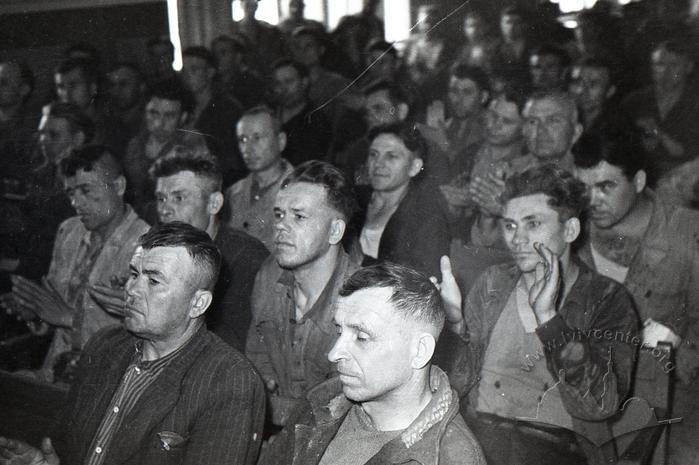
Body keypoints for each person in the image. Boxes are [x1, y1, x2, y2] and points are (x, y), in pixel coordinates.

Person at [0, 222, 266, 465]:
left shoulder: (230, 380)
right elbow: (66, 449)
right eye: (133, 274)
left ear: (198, 303)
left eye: (153, 280)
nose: (132, 289)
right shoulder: (105, 346)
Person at [439, 164, 639, 465]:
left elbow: (600, 404)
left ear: (570, 229)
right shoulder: (494, 284)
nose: (517, 239)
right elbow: (455, 386)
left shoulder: (606, 299)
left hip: (558, 449)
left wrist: (548, 319)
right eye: (510, 225)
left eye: (532, 224)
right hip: (478, 441)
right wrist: (454, 327)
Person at [259, 263, 486, 465]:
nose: (335, 353)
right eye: (339, 331)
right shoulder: (322, 399)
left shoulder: (452, 457)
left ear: (420, 351)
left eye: (361, 337)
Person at [573, 133, 699, 465]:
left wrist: (679, 349)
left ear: (640, 181)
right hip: (587, 391)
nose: (592, 200)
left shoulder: (687, 234)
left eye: (605, 187)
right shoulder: (571, 230)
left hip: (676, 395)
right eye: (583, 188)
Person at [1, 145, 150, 383]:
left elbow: (140, 339)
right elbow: (52, 312)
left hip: (106, 381)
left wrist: (70, 318)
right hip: (54, 373)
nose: (76, 203)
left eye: (85, 190)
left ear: (119, 187)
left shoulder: (146, 245)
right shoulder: (69, 231)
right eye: (70, 193)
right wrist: (34, 312)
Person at [245, 160, 358, 426]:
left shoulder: (359, 301)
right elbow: (257, 357)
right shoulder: (269, 275)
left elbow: (338, 416)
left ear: (335, 231)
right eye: (279, 214)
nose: (281, 227)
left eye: (299, 216)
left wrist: (268, 407)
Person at [468, 90, 583, 247]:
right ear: (524, 130)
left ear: (576, 132)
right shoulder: (511, 172)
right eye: (533, 122)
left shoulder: (588, 178)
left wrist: (507, 210)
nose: (541, 131)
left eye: (553, 121)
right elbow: (484, 241)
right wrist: (487, 214)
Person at [355, 123, 450, 278]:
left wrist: (360, 260)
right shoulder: (354, 201)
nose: (378, 163)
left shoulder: (427, 219)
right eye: (373, 154)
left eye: (391, 156)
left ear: (414, 167)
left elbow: (417, 283)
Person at [15, 103, 95, 278]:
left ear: (78, 139)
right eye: (42, 133)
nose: (43, 140)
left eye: (53, 135)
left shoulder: (90, 179)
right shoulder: (42, 173)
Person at [123, 79, 207, 219]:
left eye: (169, 116)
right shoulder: (135, 144)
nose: (159, 123)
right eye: (153, 113)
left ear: (183, 117)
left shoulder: (192, 143)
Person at [620, 38, 699, 185]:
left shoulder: (695, 103)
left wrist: (658, 133)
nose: (665, 71)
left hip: (685, 182)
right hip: (637, 178)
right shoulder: (633, 102)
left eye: (674, 64)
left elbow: (689, 152)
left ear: (688, 67)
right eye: (659, 64)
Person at [224, 105, 294, 251]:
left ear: (281, 141)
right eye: (242, 139)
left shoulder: (297, 191)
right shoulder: (233, 193)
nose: (248, 148)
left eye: (257, 138)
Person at [181, 46, 245, 185]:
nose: (187, 75)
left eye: (194, 70)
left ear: (210, 72)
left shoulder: (228, 108)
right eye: (184, 70)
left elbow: (233, 158)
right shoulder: (184, 105)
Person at [270, 59, 332, 165]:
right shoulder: (268, 115)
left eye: (289, 82)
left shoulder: (316, 120)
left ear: (304, 82)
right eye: (278, 84)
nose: (283, 89)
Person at [211, 34, 266, 109]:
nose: (218, 58)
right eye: (214, 54)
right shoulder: (211, 83)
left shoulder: (251, 83)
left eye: (223, 53)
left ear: (238, 57)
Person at [230, 0, 285, 75]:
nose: (251, 8)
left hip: (266, 73)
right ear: (241, 5)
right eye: (248, 4)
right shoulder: (234, 29)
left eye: (253, 4)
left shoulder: (269, 30)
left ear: (256, 6)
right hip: (243, 75)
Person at [105, 62, 147, 145]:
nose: (116, 91)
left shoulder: (152, 121)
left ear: (141, 87)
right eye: (112, 85)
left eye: (123, 84)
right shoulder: (107, 124)